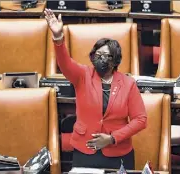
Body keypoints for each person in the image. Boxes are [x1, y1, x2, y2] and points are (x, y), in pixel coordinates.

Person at [44, 9, 147, 170]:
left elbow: (140, 120)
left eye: (105, 55)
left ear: (115, 60)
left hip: (118, 152)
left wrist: (112, 138)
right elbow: (64, 62)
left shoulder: (128, 84)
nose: (100, 59)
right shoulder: (82, 75)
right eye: (97, 55)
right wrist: (58, 38)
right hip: (85, 150)